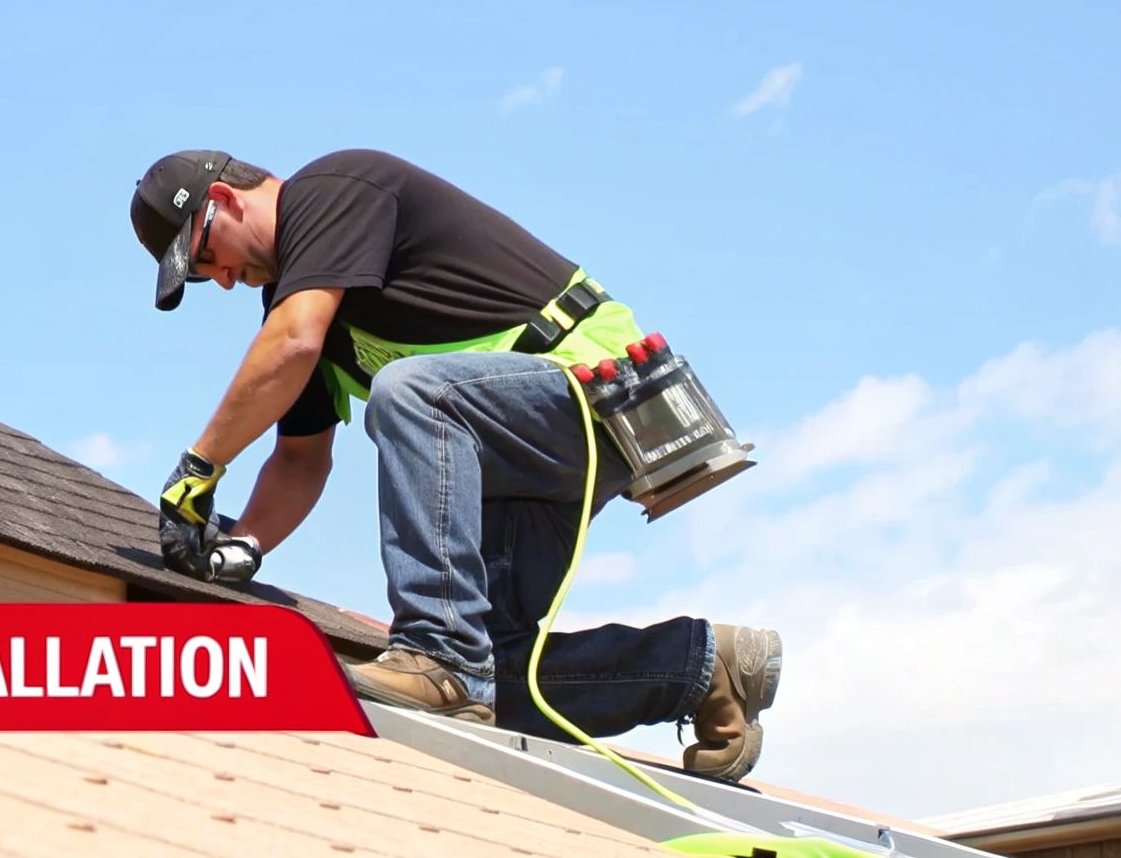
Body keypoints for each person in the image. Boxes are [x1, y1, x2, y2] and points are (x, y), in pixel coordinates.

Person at [128, 148, 782, 782]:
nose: (218, 278)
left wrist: (199, 468)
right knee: (503, 686)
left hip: (593, 388)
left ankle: (438, 654)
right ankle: (700, 666)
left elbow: (293, 344)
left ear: (223, 199)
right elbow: (300, 459)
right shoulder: (298, 305)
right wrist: (239, 548)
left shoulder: (331, 189)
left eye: (206, 255)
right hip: (510, 453)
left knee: (414, 393)